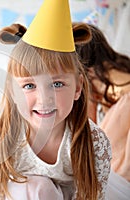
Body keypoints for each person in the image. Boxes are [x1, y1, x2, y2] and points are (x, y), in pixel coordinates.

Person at [0, 0, 111, 199]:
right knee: (36, 185)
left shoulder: (93, 144)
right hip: (20, 195)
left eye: (57, 84)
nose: (44, 99)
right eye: (29, 86)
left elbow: (90, 195)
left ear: (78, 87)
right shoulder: (7, 140)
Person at [73, 22, 130, 199]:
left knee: (112, 168)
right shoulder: (120, 65)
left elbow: (88, 125)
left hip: (125, 114)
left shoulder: (90, 76)